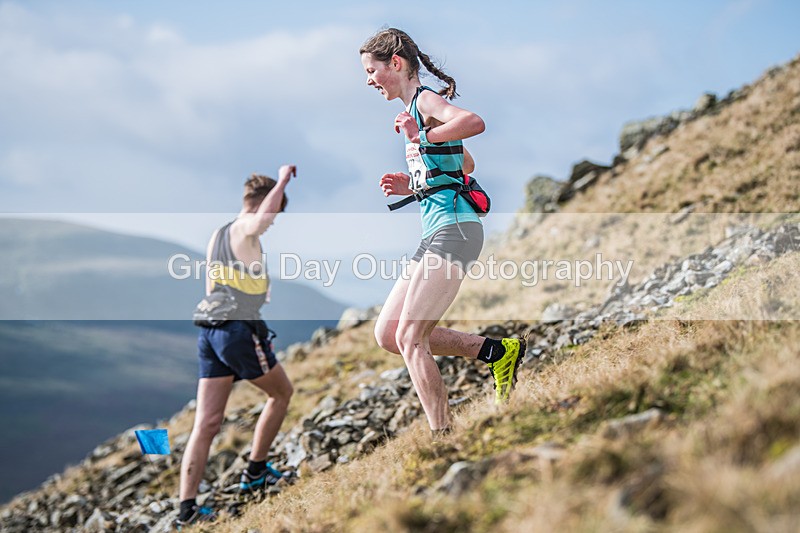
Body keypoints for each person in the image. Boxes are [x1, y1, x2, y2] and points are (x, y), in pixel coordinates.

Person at [359, 29, 526, 437]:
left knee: (411, 336)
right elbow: (464, 164)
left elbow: (474, 122)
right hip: (438, 230)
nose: (368, 80)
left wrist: (424, 136)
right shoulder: (414, 111)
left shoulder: (425, 101)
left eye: (371, 70)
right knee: (388, 333)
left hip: (456, 229)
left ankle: (441, 437)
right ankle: (496, 351)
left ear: (395, 64)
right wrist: (416, 182)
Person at [176, 166, 297, 527]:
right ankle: (255, 473)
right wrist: (284, 180)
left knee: (206, 423)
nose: (273, 222)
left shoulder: (218, 235)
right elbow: (258, 223)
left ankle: (187, 510)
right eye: (275, 214)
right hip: (236, 332)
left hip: (209, 333)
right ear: (264, 206)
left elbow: (217, 286)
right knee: (281, 394)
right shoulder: (247, 227)